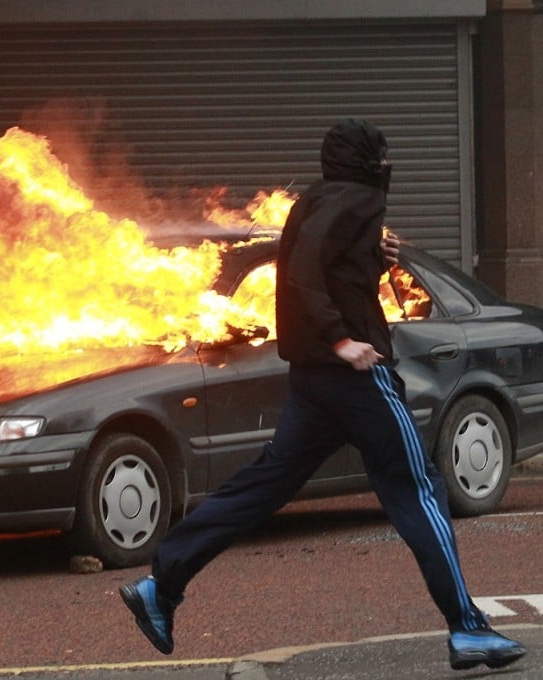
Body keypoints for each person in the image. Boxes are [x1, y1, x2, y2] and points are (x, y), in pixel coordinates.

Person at [119, 119, 528, 672]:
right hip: (357, 379)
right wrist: (344, 341)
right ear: (367, 160)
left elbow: (319, 267)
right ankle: (467, 629)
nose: (387, 165)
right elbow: (308, 274)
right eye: (381, 155)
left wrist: (368, 259)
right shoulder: (357, 199)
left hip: (311, 383)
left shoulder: (313, 201)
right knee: (419, 489)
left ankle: (160, 586)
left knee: (263, 485)